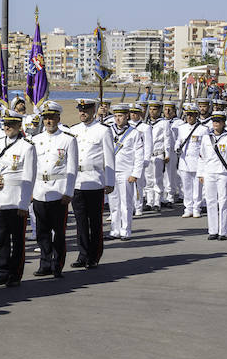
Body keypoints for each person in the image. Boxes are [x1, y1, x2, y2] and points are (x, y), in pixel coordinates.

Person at [0, 111, 35, 287]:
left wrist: (24, 203)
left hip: (17, 198)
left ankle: (15, 274)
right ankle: (2, 272)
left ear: (19, 126)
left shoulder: (27, 147)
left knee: (17, 240)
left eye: (11, 124)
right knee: (1, 239)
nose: (7, 127)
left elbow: (29, 176)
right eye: (5, 124)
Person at [30, 101, 77, 277]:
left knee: (59, 232)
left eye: (52, 117)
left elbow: (72, 168)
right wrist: (30, 191)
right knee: (42, 232)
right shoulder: (35, 140)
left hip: (59, 192)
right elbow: (31, 168)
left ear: (58, 118)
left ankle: (57, 265)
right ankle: (45, 263)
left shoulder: (68, 139)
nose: (48, 121)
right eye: (46, 118)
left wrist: (68, 192)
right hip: (40, 191)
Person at [70, 98, 115, 267]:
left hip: (95, 181)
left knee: (95, 222)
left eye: (86, 110)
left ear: (93, 110)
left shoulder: (103, 130)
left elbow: (109, 157)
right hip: (77, 182)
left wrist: (109, 181)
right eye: (80, 110)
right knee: (80, 222)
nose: (82, 113)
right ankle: (82, 255)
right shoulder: (73, 130)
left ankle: (94, 256)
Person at [108, 104, 145, 243]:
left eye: (120, 116)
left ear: (127, 116)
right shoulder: (109, 131)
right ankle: (115, 230)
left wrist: (135, 173)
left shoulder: (134, 133)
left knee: (126, 203)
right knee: (113, 203)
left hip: (126, 171)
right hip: (111, 171)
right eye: (116, 116)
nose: (118, 119)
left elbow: (139, 155)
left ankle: (126, 230)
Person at [197, 110, 227, 240]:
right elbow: (201, 156)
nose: (215, 124)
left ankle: (223, 231)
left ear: (223, 123)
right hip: (209, 172)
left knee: (223, 202)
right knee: (211, 201)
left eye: (218, 121)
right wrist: (200, 173)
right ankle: (213, 230)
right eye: (214, 121)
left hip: (223, 172)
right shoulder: (206, 137)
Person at [175, 103, 205, 218]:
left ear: (196, 115)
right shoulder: (181, 128)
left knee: (197, 187)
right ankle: (188, 208)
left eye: (192, 115)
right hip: (184, 161)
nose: (189, 117)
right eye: (188, 115)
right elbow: (179, 140)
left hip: (197, 162)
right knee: (186, 187)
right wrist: (176, 147)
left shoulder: (203, 129)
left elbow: (205, 146)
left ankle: (197, 208)